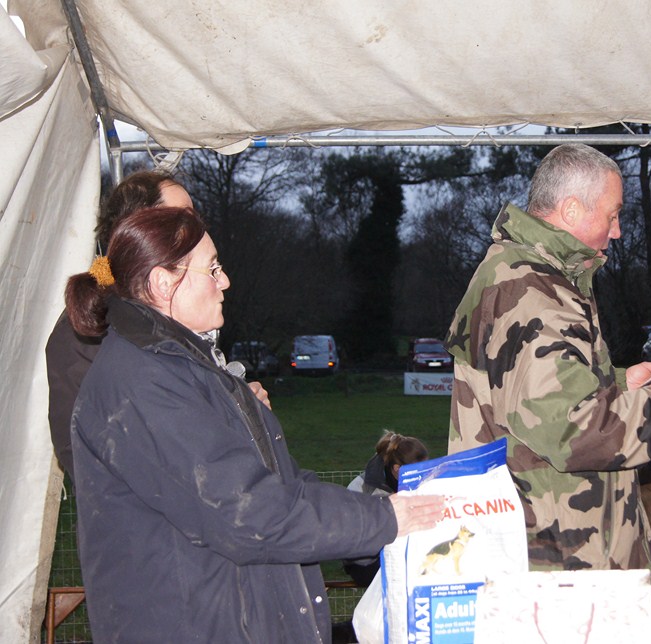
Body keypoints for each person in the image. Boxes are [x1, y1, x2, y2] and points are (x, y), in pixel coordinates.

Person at [65, 206, 445, 644]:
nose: (224, 281)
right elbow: (248, 512)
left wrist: (379, 523)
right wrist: (386, 518)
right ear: (162, 283)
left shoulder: (188, 367)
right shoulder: (142, 381)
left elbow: (282, 484)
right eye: (212, 269)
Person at [445, 143, 651, 571]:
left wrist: (616, 382)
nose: (618, 230)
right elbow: (568, 425)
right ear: (571, 209)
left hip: (551, 546)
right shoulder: (531, 292)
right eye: (612, 214)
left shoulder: (529, 273)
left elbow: (531, 395)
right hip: (555, 565)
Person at [45, 170, 269, 482]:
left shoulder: (173, 310)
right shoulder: (87, 324)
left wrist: (242, 408)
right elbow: (86, 453)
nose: (194, 226)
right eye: (181, 215)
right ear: (141, 226)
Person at [343, 431, 430, 586]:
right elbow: (354, 540)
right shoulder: (363, 489)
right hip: (366, 562)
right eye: (419, 471)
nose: (424, 476)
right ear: (397, 469)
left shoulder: (418, 482)